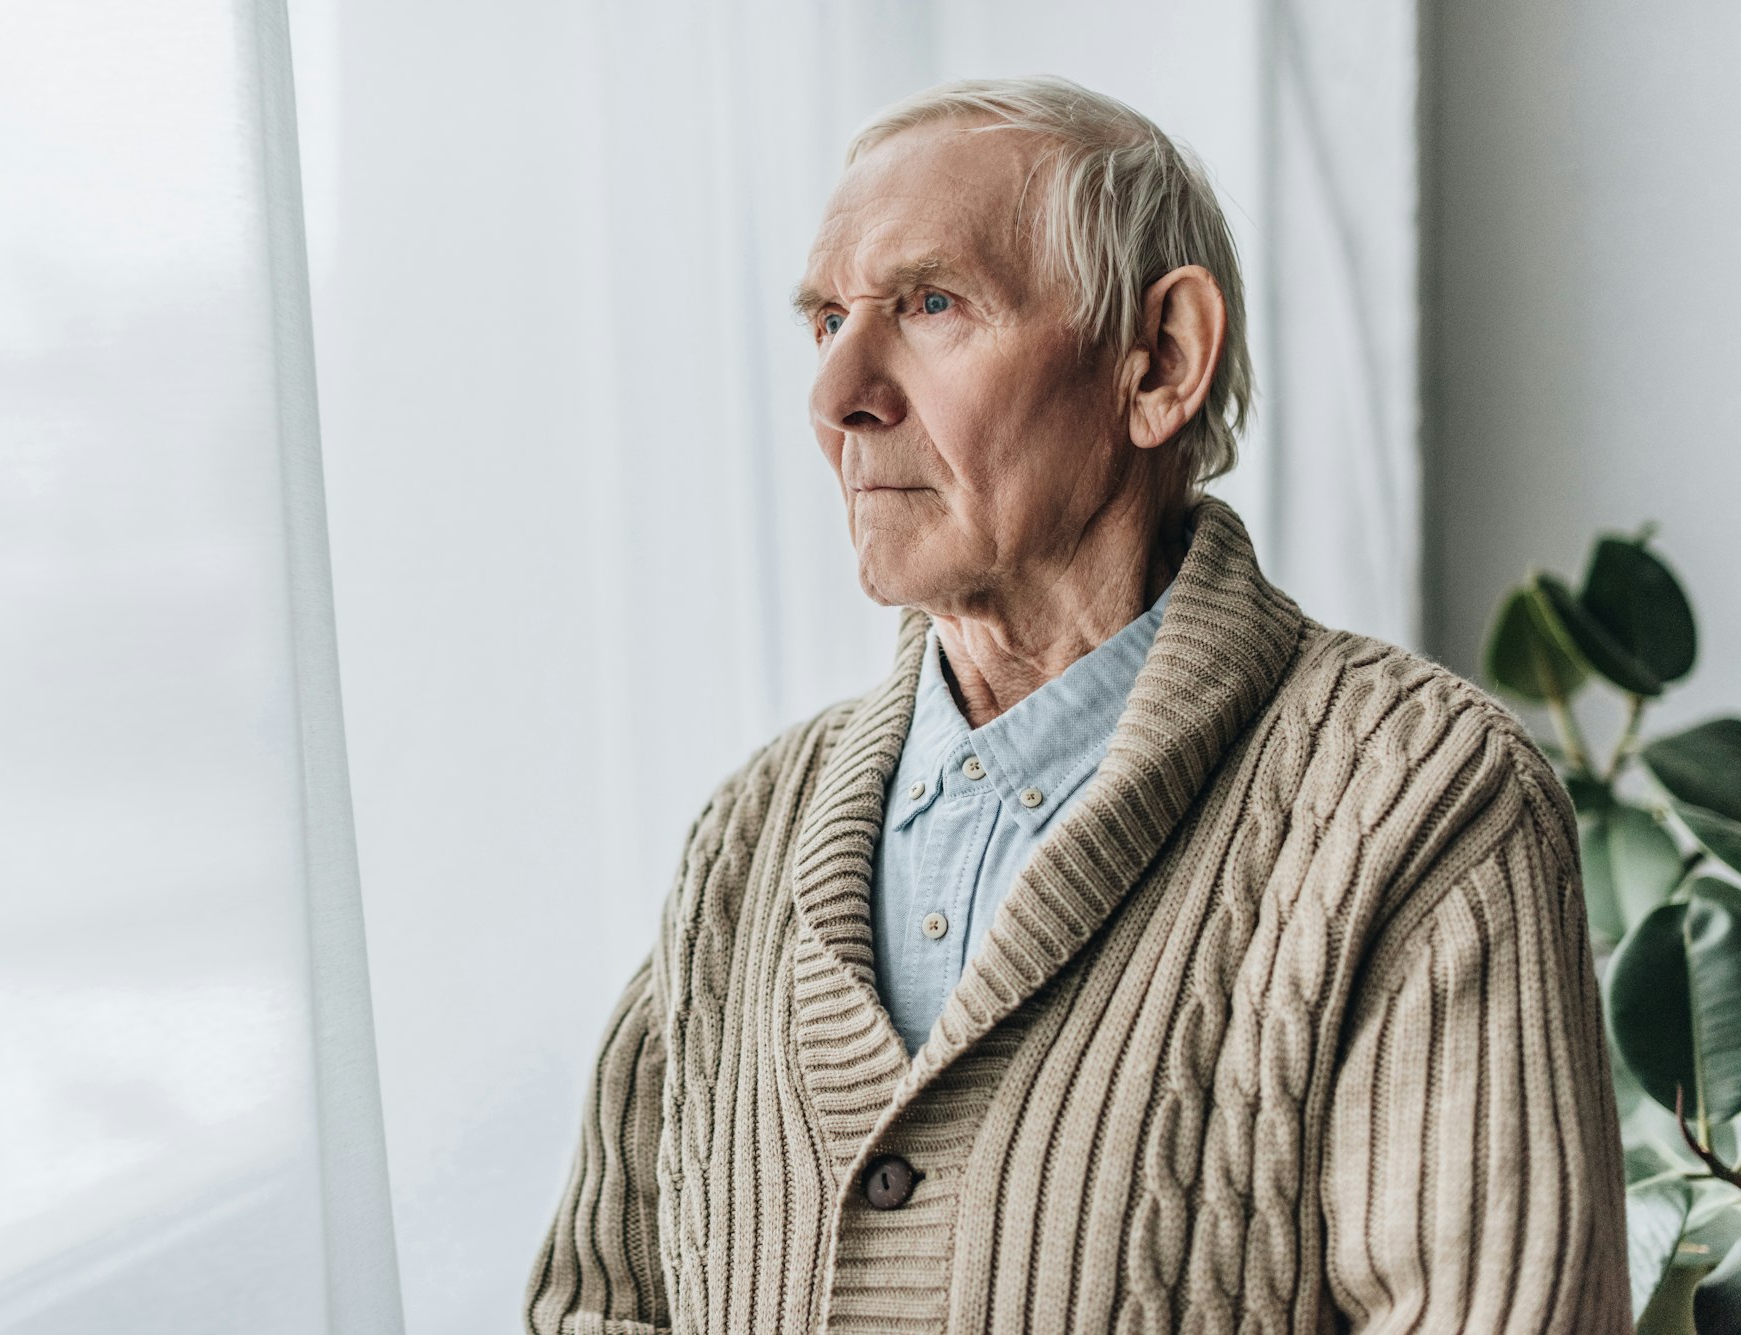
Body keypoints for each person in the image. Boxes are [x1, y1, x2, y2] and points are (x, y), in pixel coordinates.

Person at [525, 76, 1629, 1334]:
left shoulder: (1421, 802)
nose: (836, 395)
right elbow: (596, 1303)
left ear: (1158, 361)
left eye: (929, 305)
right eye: (826, 320)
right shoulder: (748, 835)